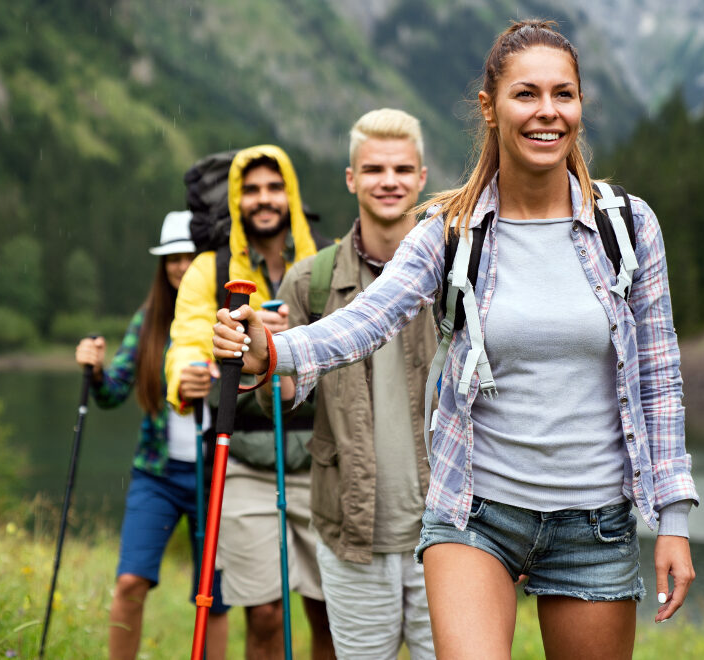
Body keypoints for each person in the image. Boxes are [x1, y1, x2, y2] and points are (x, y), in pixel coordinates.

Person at [214, 20, 698, 660]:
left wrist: (674, 520)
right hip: (476, 513)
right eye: (526, 94)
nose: (547, 112)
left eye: (564, 94)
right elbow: (369, 318)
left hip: (597, 524)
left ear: (581, 105)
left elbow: (659, 378)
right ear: (490, 108)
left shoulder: (629, 228)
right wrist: (272, 351)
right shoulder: (453, 230)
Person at [266, 108, 436, 658]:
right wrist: (265, 357)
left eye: (402, 170)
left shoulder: (459, 271)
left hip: (453, 533)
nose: (389, 182)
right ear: (351, 179)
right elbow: (289, 394)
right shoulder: (309, 281)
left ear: (422, 177)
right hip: (351, 534)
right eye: (374, 169)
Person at [166, 146, 335, 659]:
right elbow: (189, 339)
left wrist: (293, 339)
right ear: (237, 200)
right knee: (263, 612)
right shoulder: (210, 270)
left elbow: (355, 339)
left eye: (274, 188)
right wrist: (186, 377)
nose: (264, 200)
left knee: (329, 612)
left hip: (324, 460)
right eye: (253, 190)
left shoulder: (327, 262)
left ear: (292, 195)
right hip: (243, 457)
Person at [74, 211, 230, 660]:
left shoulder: (225, 320)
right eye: (172, 259)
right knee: (130, 582)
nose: (181, 267)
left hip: (215, 474)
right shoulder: (149, 320)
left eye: (190, 257)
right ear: (162, 267)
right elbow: (111, 393)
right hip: (156, 475)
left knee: (213, 598)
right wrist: (96, 370)